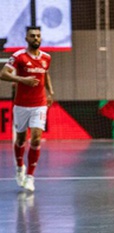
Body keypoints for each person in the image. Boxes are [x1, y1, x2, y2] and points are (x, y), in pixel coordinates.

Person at [0, 26, 54, 192]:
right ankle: (19, 167)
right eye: (32, 36)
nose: (36, 38)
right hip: (22, 105)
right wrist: (22, 79)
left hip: (39, 104)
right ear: (26, 39)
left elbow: (45, 74)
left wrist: (50, 91)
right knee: (21, 140)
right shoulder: (18, 57)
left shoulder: (46, 57)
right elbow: (3, 74)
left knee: (36, 139)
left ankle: (30, 177)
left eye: (38, 36)